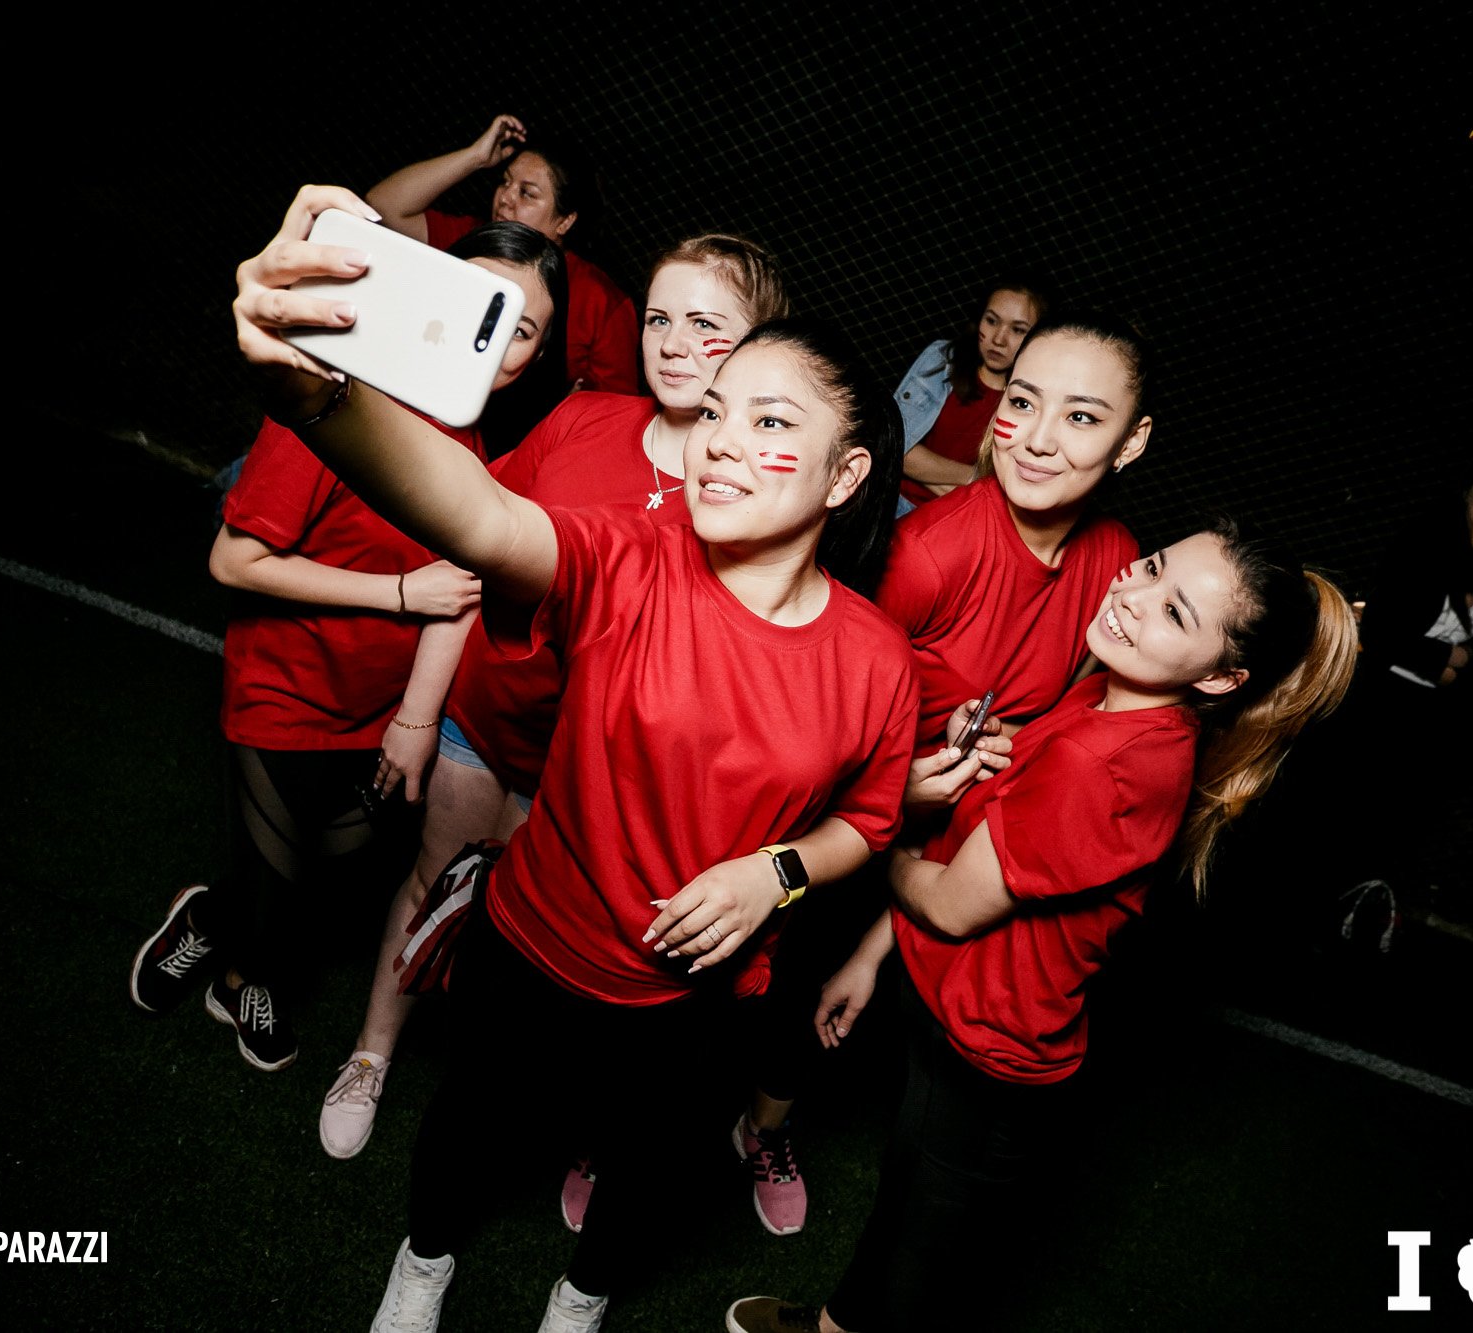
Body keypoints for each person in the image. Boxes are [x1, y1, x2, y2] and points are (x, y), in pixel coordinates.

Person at [232, 184, 917, 1333]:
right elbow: (480, 517)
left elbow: (871, 818)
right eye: (718, 414)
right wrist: (315, 393)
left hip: (686, 997)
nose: (722, 442)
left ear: (843, 476)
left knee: (641, 1167)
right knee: (469, 1127)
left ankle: (578, 1301)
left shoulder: (875, 658)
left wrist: (775, 874)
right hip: (531, 942)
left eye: (770, 423)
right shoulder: (630, 559)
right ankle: (423, 1264)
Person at [727, 518, 1359, 1333]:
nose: (1134, 596)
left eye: (1175, 612)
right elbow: (1009, 815)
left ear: (1220, 677)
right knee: (908, 1208)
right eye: (1153, 567)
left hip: (986, 1050)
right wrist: (873, 951)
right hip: (963, 1015)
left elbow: (952, 902)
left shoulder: (1099, 760)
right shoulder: (1114, 700)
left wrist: (881, 837)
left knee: (916, 1255)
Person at [318, 232, 791, 1161]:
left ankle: (504, 1106)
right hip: (484, 717)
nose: (673, 343)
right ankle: (371, 1053)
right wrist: (419, 712)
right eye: (659, 318)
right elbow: (476, 550)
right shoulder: (580, 419)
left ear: (762, 346)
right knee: (430, 880)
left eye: (706, 324)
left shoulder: (751, 492)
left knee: (525, 941)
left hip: (590, 769)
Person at [733, 310, 1150, 1234]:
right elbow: (808, 717)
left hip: (952, 836)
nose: (1037, 438)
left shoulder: (1116, 563)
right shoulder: (928, 552)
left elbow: (1059, 726)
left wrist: (989, 756)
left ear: (1133, 441)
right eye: (1023, 402)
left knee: (842, 1007)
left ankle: (762, 1124)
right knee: (770, 978)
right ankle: (639, 1126)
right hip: (842, 813)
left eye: (1082, 417)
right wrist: (901, 784)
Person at [126, 221, 566, 1073]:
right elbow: (234, 560)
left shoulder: (481, 449)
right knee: (281, 879)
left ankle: (211, 916)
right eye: (477, 307)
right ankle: (240, 977)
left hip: (378, 709)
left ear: (539, 353)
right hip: (284, 688)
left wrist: (414, 717)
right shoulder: (331, 403)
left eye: (519, 329)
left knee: (323, 872)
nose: (492, 344)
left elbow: (462, 591)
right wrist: (399, 592)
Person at [1325, 450, 1473, 944]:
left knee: (1392, 824)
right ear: (1470, 487)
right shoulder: (1425, 543)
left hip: (1433, 718)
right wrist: (1448, 658)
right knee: (1343, 812)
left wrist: (1455, 668)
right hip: (1374, 702)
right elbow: (1381, 627)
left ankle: (1353, 918)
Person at [368, 114, 639, 399]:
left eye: (527, 193)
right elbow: (383, 207)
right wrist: (475, 157)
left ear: (565, 221)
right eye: (505, 182)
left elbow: (617, 405)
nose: (505, 198)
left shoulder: (603, 302)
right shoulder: (472, 240)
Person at [894, 278, 1049, 512]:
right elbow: (894, 447)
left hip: (952, 520)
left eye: (1017, 330)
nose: (998, 339)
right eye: (992, 321)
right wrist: (975, 476)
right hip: (892, 501)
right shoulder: (942, 360)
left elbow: (1004, 494)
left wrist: (921, 469)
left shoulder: (1034, 402)